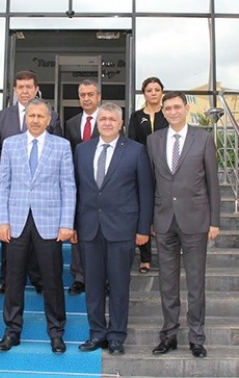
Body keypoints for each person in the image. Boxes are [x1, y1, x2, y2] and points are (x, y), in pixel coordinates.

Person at [0, 98, 75, 354]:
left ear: (48, 120)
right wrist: (2, 220)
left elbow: (68, 186)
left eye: (40, 116)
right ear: (25, 118)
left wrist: (67, 223)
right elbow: (3, 184)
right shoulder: (10, 144)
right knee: (13, 278)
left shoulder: (61, 146)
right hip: (16, 221)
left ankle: (56, 332)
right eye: (31, 116)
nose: (35, 120)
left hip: (50, 222)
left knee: (52, 279)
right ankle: (12, 331)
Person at [74, 102, 153, 356]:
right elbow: (76, 189)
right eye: (103, 119)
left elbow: (145, 191)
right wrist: (73, 225)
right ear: (97, 123)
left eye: (112, 119)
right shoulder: (82, 150)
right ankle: (97, 333)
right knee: (93, 285)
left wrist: (143, 229)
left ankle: (117, 336)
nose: (107, 123)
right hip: (89, 228)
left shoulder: (136, 151)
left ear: (121, 124)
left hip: (122, 229)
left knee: (119, 285)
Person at [147, 91, 220, 358]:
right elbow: (150, 182)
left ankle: (196, 337)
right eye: (168, 108)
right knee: (167, 282)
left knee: (196, 282)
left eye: (177, 107)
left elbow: (212, 182)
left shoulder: (203, 138)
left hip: (196, 220)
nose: (173, 112)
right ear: (162, 111)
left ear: (186, 108)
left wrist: (214, 221)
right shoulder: (153, 140)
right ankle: (168, 335)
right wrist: (150, 219)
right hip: (164, 220)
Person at [0, 70, 62, 295]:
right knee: (10, 238)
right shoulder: (1, 117)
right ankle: (6, 279)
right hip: (12, 189)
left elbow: (58, 151)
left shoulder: (51, 116)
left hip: (42, 193)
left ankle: (38, 279)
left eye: (29, 86)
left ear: (36, 89)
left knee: (39, 238)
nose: (25, 91)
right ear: (14, 90)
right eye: (21, 87)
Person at [63, 79, 101, 295]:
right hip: (78, 185)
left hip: (103, 184)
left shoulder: (108, 119)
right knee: (77, 231)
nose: (86, 98)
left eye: (90, 94)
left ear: (98, 97)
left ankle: (102, 278)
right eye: (82, 95)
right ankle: (79, 276)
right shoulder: (71, 123)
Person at [127, 76, 168, 274]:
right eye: (149, 90)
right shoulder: (136, 116)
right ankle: (145, 258)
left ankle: (167, 256)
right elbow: (132, 141)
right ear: (144, 93)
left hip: (165, 168)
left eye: (156, 90)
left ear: (162, 92)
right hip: (142, 167)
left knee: (164, 209)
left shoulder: (167, 114)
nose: (153, 93)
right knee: (144, 209)